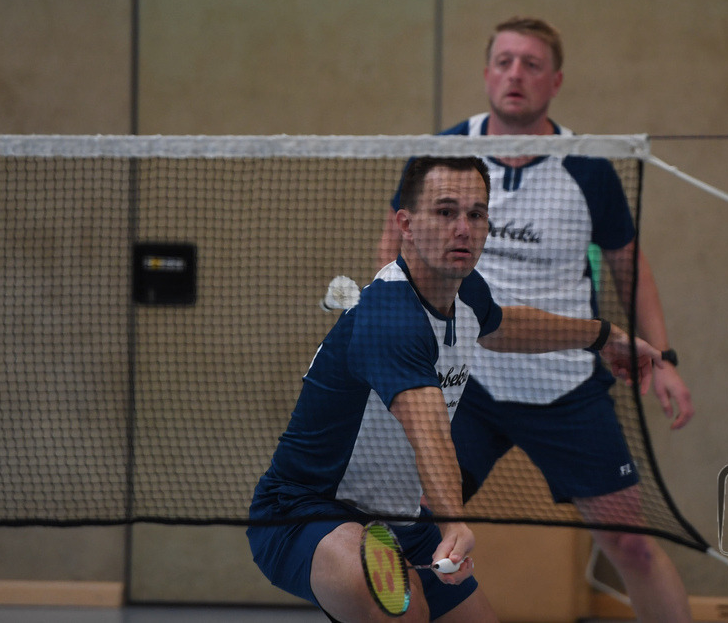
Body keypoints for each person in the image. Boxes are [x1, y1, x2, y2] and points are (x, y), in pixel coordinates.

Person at [249, 155, 663, 623]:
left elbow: (506, 326)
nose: (463, 228)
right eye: (446, 212)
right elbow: (428, 430)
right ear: (406, 223)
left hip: (399, 518)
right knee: (404, 611)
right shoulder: (391, 319)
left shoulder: (464, 291)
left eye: (476, 213)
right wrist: (453, 524)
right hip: (305, 511)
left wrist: (604, 336)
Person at [377, 17, 696, 622]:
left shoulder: (588, 169)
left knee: (630, 543)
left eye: (529, 63)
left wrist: (664, 357)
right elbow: (398, 248)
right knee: (411, 534)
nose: (514, 74)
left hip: (566, 389)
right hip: (464, 388)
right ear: (486, 74)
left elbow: (631, 266)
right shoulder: (445, 155)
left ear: (555, 81)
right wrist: (396, 346)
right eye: (503, 61)